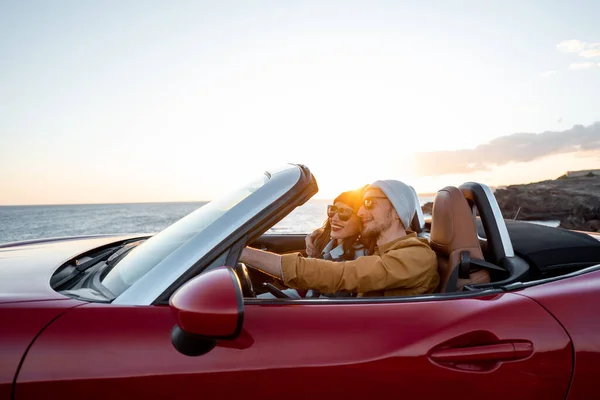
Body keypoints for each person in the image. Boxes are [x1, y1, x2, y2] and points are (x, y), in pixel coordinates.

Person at [240, 179, 440, 297]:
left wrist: (245, 253)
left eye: (369, 203)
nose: (361, 212)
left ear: (397, 211)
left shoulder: (417, 255)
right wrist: (322, 236)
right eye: (361, 204)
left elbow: (343, 274)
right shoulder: (379, 249)